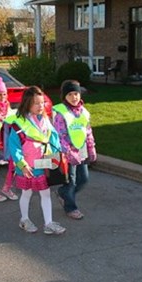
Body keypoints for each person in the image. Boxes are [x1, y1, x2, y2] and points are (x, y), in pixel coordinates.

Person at [8, 86, 66, 235]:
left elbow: (54, 139)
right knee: (26, 193)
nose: (41, 106)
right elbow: (14, 147)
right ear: (27, 103)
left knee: (45, 193)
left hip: (44, 164)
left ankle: (48, 223)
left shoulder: (46, 120)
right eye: (36, 103)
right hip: (27, 166)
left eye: (42, 103)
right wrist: (22, 164)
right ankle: (24, 219)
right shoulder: (19, 124)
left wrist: (57, 156)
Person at [52, 80, 97, 220]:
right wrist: (69, 152)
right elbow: (60, 135)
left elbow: (88, 131)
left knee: (83, 179)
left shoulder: (84, 112)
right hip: (67, 153)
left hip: (81, 149)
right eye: (70, 94)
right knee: (70, 181)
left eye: (76, 93)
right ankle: (70, 207)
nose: (74, 97)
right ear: (64, 96)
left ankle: (63, 193)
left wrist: (91, 148)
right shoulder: (61, 112)